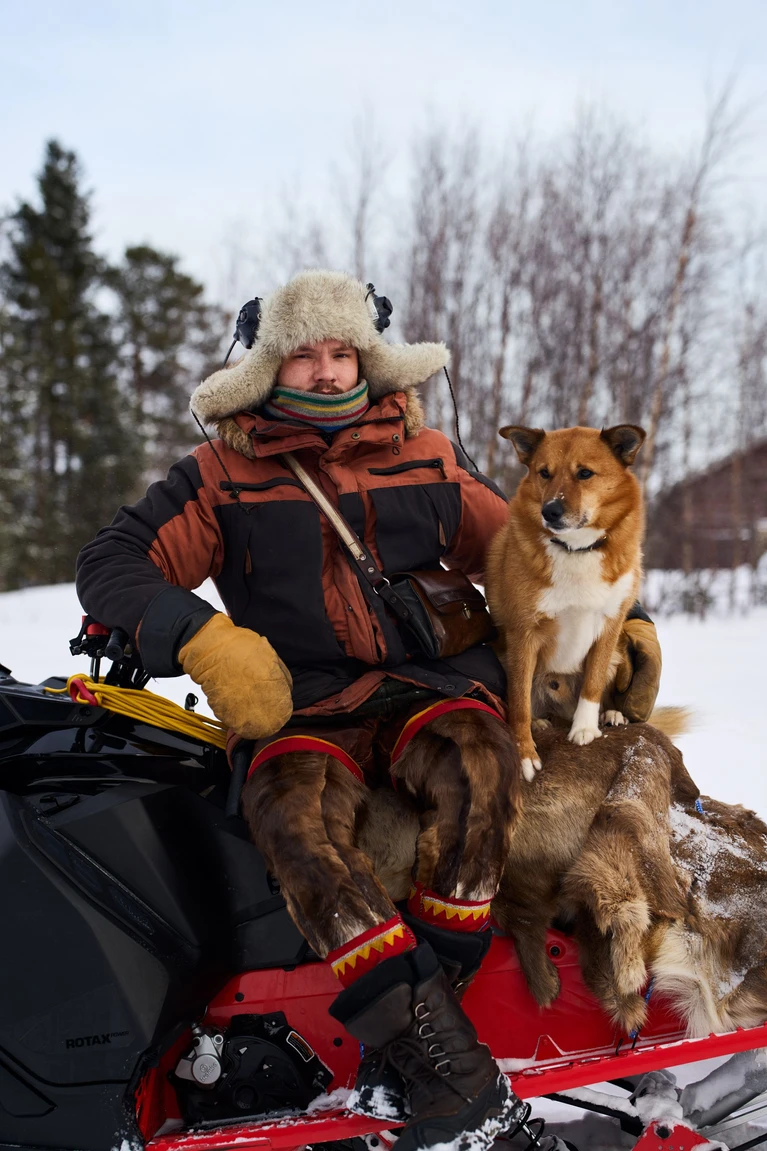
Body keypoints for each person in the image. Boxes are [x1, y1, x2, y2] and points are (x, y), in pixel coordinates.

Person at [76, 270, 661, 1151]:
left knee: (482, 767)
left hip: (428, 683)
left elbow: (534, 548)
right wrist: (200, 636)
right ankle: (452, 1073)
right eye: (301, 354)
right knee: (294, 824)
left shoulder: (426, 453)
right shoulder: (218, 471)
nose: (322, 370)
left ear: (366, 357)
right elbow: (114, 560)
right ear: (269, 365)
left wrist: (626, 627)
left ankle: (410, 1049)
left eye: (338, 351)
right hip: (301, 704)